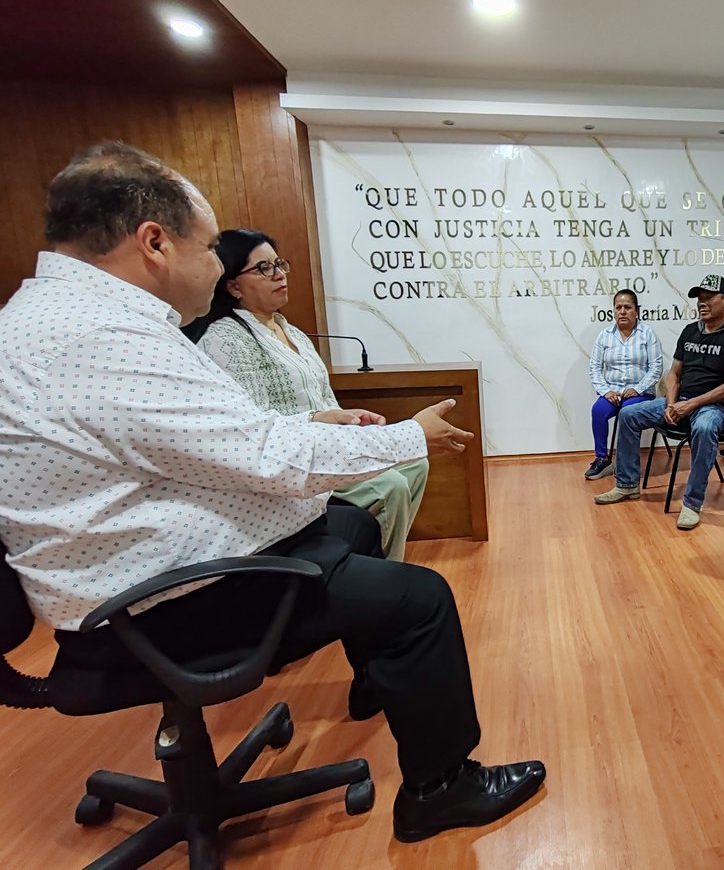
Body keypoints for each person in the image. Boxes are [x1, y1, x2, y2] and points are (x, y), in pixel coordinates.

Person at [0, 142, 544, 844]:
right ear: (154, 243)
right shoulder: (96, 336)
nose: (218, 266)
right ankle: (441, 789)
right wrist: (410, 436)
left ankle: (383, 675)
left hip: (133, 572)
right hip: (147, 605)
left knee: (350, 525)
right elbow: (263, 452)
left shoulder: (50, 315)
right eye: (210, 249)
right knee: (421, 600)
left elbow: (234, 439)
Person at [197, 229, 429, 561]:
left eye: (279, 264)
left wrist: (351, 422)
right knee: (390, 486)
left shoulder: (291, 331)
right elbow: (252, 429)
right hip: (297, 458)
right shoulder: (226, 339)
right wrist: (318, 420)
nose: (279, 274)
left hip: (327, 442)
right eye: (263, 269)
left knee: (414, 463)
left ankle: (373, 559)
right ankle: (385, 571)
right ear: (234, 287)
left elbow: (325, 400)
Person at [594, 274, 724, 530]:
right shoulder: (691, 330)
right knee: (629, 415)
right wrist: (671, 403)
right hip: (680, 401)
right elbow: (674, 374)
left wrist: (690, 405)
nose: (702, 303)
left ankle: (692, 503)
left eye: (708, 298)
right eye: (699, 299)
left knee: (703, 428)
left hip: (715, 407)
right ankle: (627, 484)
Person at [584, 288, 663, 480]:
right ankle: (602, 460)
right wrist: (606, 391)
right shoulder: (604, 336)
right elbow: (594, 368)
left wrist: (637, 389)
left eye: (627, 307)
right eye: (618, 307)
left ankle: (625, 463)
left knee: (627, 413)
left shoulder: (647, 334)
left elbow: (656, 368)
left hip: (640, 392)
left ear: (636, 310)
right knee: (598, 411)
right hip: (613, 392)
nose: (622, 311)